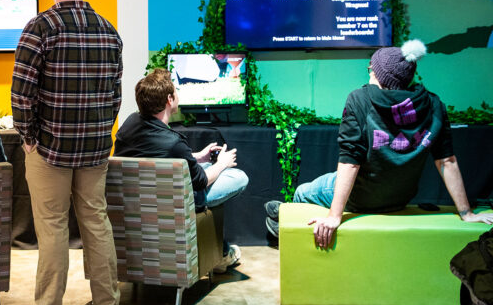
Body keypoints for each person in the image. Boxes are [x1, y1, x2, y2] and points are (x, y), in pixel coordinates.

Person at [265, 39, 493, 248]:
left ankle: (281, 228)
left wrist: (335, 216)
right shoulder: (433, 104)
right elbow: (447, 160)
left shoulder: (360, 99)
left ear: (381, 76)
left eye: (371, 69)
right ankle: (278, 215)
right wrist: (466, 213)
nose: (369, 72)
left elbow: (350, 163)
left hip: (361, 197)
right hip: (399, 198)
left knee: (304, 192)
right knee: (323, 185)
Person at [11, 0, 122, 305]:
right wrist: (101, 133)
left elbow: (21, 94)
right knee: (96, 222)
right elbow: (114, 96)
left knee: (53, 227)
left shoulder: (39, 28)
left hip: (49, 149)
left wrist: (27, 138)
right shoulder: (109, 31)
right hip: (94, 149)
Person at [114, 68, 249, 270]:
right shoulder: (173, 142)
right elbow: (201, 181)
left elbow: (155, 156)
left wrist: (197, 156)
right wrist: (222, 163)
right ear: (169, 99)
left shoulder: (130, 124)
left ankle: (220, 251)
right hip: (176, 203)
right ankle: (220, 254)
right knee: (238, 176)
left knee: (204, 165)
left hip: (140, 202)